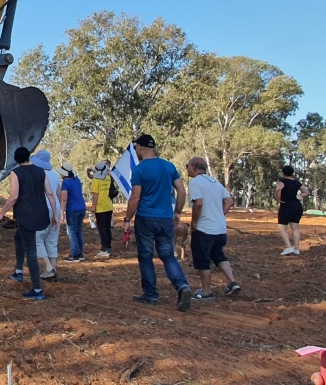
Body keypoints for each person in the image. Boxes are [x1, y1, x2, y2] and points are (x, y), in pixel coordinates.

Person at [123, 134, 192, 312]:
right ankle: (182, 286)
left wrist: (127, 219)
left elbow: (135, 197)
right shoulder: (169, 166)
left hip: (146, 217)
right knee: (168, 255)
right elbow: (182, 191)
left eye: (136, 147)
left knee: (146, 257)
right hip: (165, 218)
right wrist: (177, 211)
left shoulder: (139, 170)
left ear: (140, 147)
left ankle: (150, 294)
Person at [0, 147, 58, 300]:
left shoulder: (16, 172)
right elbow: (50, 193)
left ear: (16, 160)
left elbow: (14, 196)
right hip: (42, 214)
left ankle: (37, 289)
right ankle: (18, 270)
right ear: (29, 157)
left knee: (31, 251)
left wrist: (1, 213)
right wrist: (55, 214)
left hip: (26, 216)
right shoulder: (41, 171)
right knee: (18, 238)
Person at [185, 157, 241, 299]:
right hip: (220, 228)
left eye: (187, 166)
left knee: (202, 260)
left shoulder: (195, 182)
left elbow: (198, 203)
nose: (187, 169)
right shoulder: (215, 182)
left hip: (204, 229)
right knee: (218, 255)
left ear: (194, 167)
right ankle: (232, 282)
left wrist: (194, 222)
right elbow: (229, 201)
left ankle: (206, 291)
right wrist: (219, 214)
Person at [31, 149, 62, 281]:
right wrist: (57, 211)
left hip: (43, 209)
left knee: (37, 240)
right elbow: (58, 194)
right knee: (52, 240)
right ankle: (53, 269)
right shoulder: (54, 174)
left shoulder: (39, 174)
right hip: (56, 209)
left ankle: (49, 268)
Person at [276, 165, 310, 255]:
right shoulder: (297, 182)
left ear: (283, 173)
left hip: (286, 206)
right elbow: (306, 191)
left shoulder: (282, 182)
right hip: (297, 206)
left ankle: (288, 247)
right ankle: (297, 249)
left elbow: (278, 189)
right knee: (295, 228)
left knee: (282, 227)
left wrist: (278, 199)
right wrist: (299, 196)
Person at [57, 162, 86, 262]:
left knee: (71, 232)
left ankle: (75, 255)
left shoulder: (65, 183)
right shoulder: (77, 179)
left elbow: (64, 198)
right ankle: (80, 253)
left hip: (72, 209)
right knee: (78, 230)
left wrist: (62, 212)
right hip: (82, 207)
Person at [89, 160, 115, 257]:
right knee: (107, 228)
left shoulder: (96, 180)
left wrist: (93, 207)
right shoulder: (108, 178)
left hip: (100, 207)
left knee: (102, 228)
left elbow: (95, 195)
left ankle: (104, 249)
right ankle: (108, 247)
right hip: (109, 205)